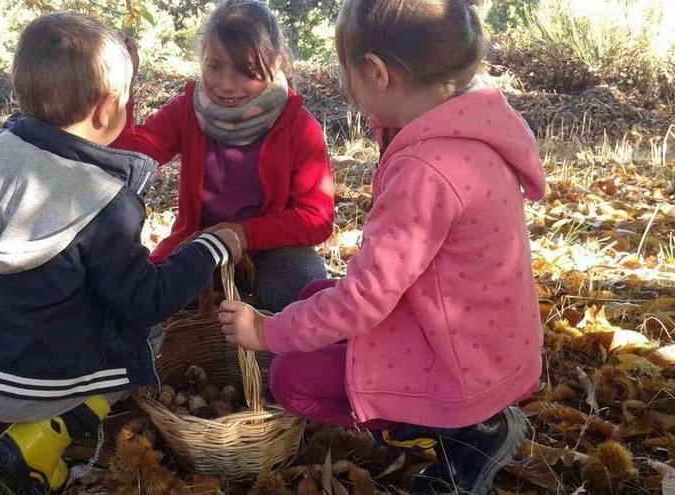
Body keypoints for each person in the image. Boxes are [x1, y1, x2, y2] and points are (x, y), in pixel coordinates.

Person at [0, 12, 241, 495]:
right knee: (150, 330)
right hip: (34, 392)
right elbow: (146, 300)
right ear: (105, 111)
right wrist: (211, 247)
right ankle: (42, 437)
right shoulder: (105, 202)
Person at [217, 0, 546, 493]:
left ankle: (462, 437)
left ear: (376, 72)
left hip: (461, 367)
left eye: (350, 76)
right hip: (489, 344)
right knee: (310, 293)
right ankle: (467, 422)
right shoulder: (473, 126)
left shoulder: (426, 170)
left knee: (293, 378)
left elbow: (364, 301)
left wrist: (266, 332)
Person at [113, 0, 334, 312]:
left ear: (276, 64)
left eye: (246, 70)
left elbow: (317, 219)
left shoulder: (298, 125)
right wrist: (123, 86)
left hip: (270, 253)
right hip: (201, 246)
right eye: (215, 66)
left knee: (301, 278)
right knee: (149, 298)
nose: (226, 85)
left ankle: (279, 355)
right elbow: (129, 155)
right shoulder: (187, 111)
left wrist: (243, 234)